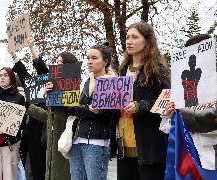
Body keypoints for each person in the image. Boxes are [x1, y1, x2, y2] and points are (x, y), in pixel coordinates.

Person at [10, 36, 76, 180]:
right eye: (57, 62)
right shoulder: (47, 83)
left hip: (61, 137)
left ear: (70, 66)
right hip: (40, 136)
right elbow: (27, 75)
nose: (57, 65)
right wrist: (15, 55)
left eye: (61, 63)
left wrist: (32, 48)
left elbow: (41, 68)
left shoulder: (72, 88)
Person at [117, 21, 170, 180]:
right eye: (127, 37)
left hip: (149, 146)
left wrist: (140, 106)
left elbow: (167, 102)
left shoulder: (157, 68)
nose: (129, 41)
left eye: (134, 37)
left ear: (147, 41)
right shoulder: (124, 68)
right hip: (125, 145)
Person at [64, 44, 118, 180]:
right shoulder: (84, 82)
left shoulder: (113, 82)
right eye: (88, 58)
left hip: (97, 141)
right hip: (76, 140)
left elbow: (112, 114)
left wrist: (94, 111)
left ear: (105, 61)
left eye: (94, 58)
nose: (89, 61)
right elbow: (69, 108)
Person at [165, 34, 217, 170]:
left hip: (212, 150)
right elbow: (167, 128)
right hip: (188, 151)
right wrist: (172, 117)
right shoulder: (176, 87)